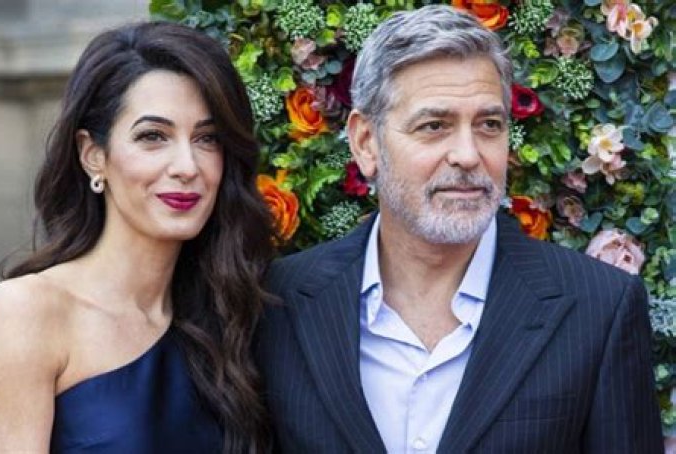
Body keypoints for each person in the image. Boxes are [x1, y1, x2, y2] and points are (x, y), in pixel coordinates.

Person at [255, 5, 663, 453]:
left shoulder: (598, 308)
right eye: (434, 126)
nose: (468, 155)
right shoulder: (276, 302)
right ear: (366, 143)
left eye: (489, 125)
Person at [0, 22, 274, 453]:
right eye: (153, 137)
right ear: (93, 155)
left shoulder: (236, 313)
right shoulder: (30, 310)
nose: (187, 166)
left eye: (207, 139)